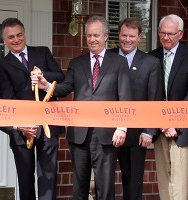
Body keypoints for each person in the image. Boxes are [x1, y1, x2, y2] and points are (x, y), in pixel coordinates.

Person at [31, 15, 132, 200]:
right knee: (79, 187)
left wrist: (122, 127)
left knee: (105, 187)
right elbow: (65, 88)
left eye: (96, 35)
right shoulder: (77, 63)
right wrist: (46, 85)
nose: (92, 39)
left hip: (107, 133)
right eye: (88, 36)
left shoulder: (119, 62)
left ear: (106, 36)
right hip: (79, 134)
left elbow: (125, 96)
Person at [0, 18, 65, 200]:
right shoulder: (1, 66)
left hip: (48, 124)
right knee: (25, 180)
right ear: (4, 40)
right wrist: (21, 125)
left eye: (19, 35)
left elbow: (60, 76)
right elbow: (8, 100)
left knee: (48, 179)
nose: (16, 40)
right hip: (23, 130)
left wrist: (43, 77)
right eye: (11, 37)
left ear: (24, 34)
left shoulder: (42, 52)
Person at [149, 14, 188, 200]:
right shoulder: (152, 57)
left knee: (180, 186)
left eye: (170, 34)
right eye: (162, 33)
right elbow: (150, 95)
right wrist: (162, 123)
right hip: (160, 129)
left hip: (184, 129)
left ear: (180, 34)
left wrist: (174, 122)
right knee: (164, 183)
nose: (166, 37)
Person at [109, 18, 162, 200]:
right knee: (103, 181)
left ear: (139, 37)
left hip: (136, 134)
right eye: (124, 35)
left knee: (132, 183)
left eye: (132, 36)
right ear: (118, 35)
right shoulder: (107, 57)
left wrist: (149, 131)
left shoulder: (151, 63)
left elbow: (154, 98)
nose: (127, 40)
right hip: (105, 130)